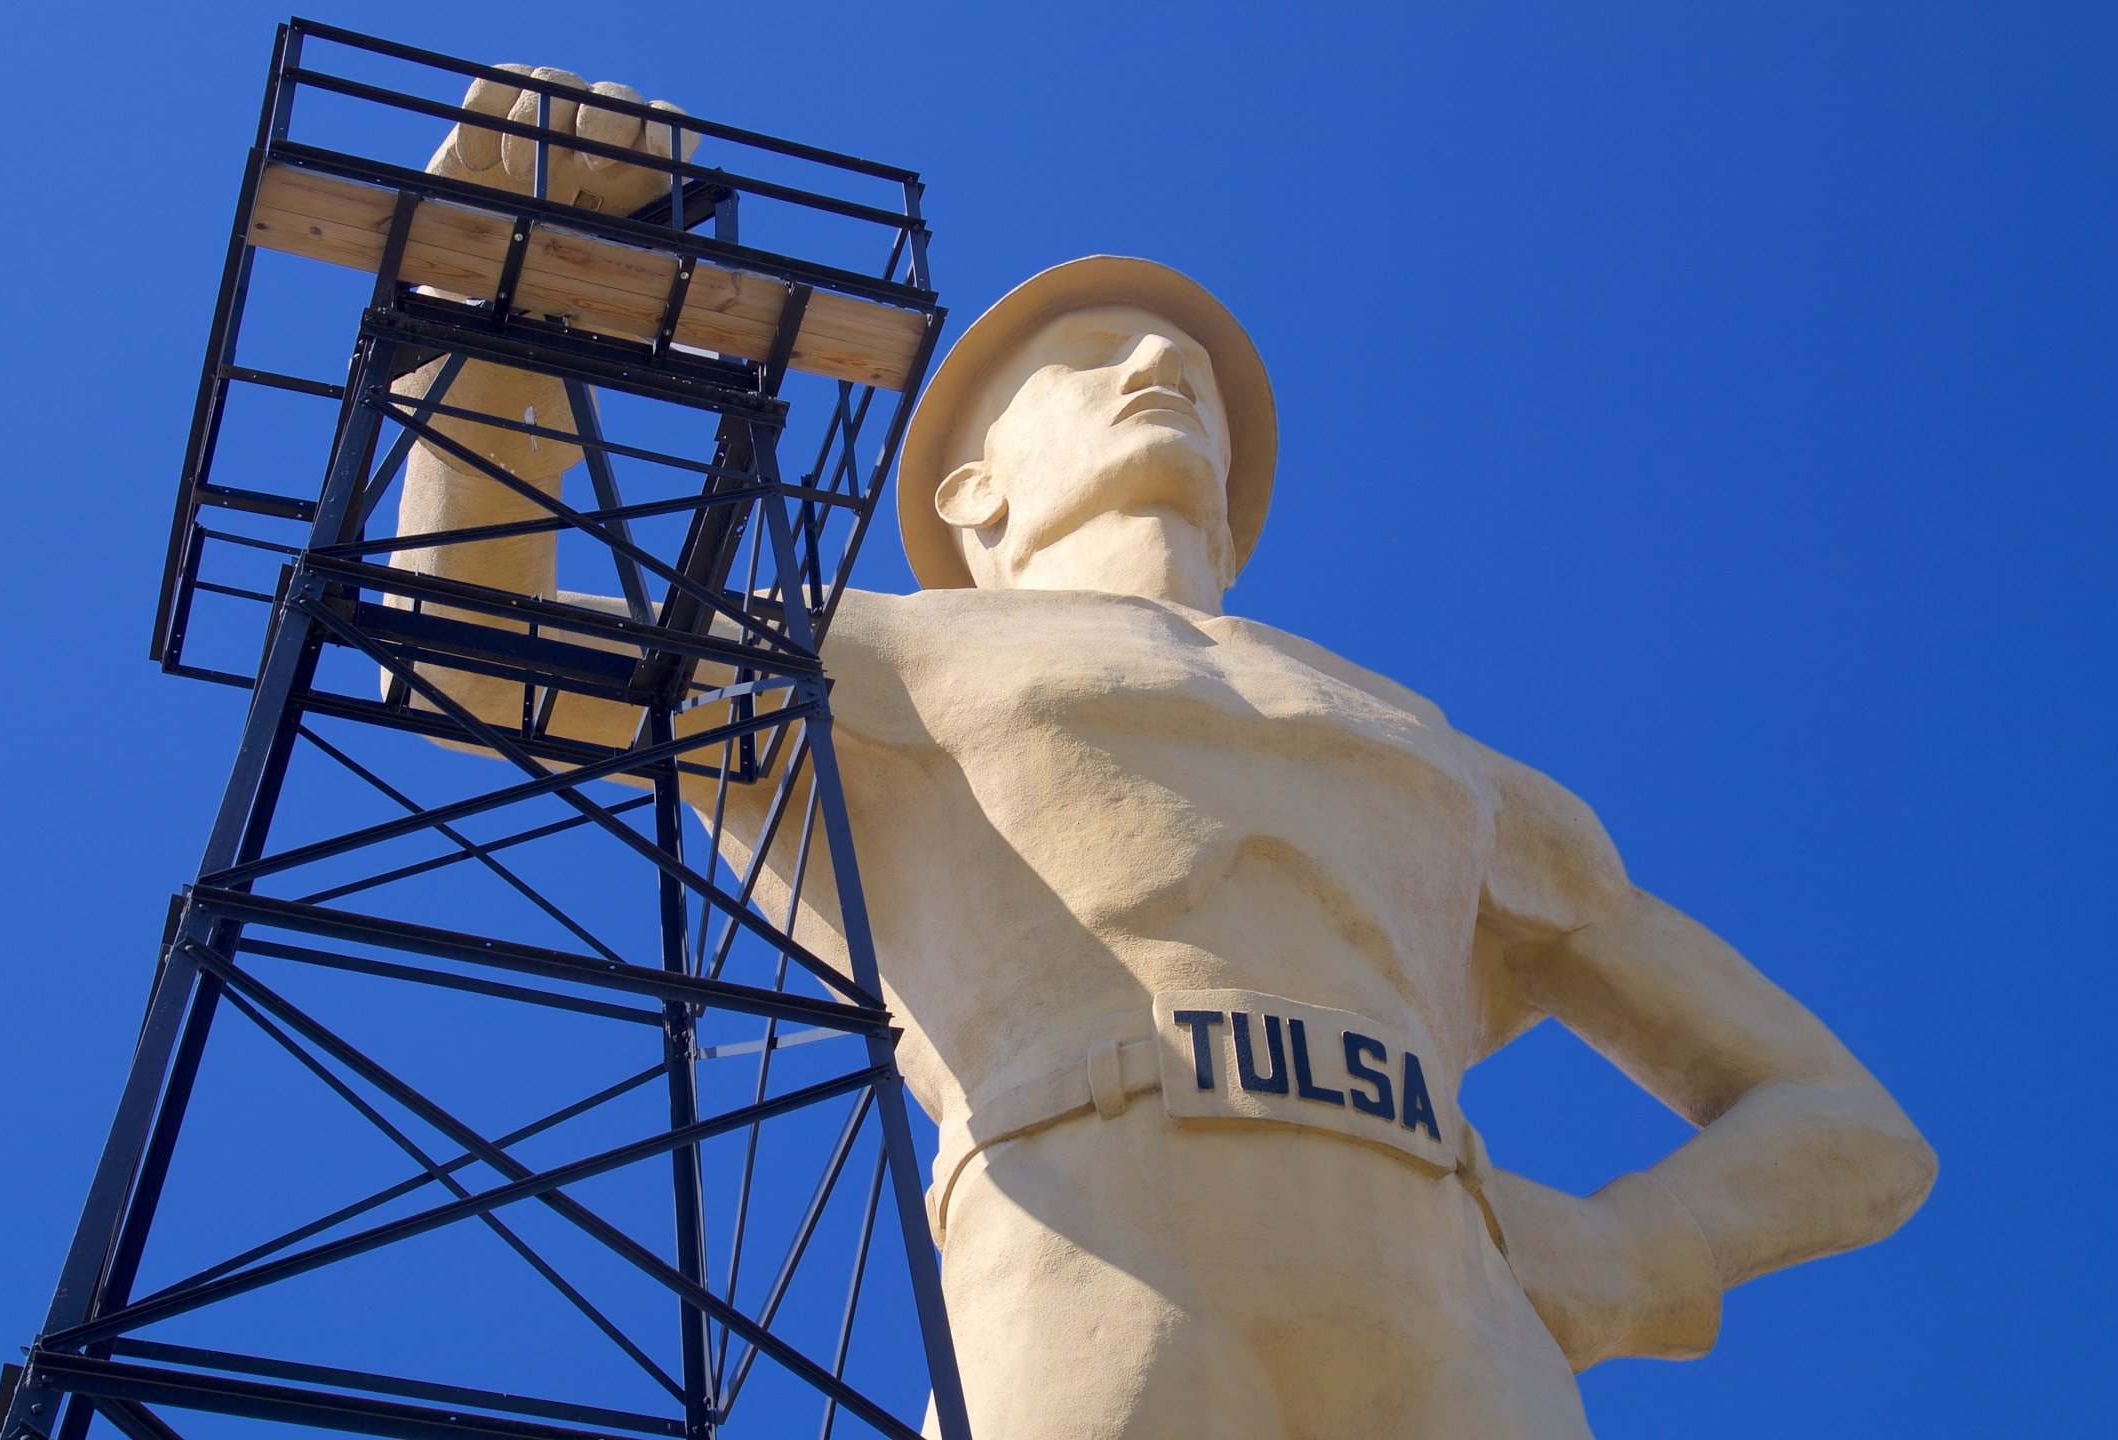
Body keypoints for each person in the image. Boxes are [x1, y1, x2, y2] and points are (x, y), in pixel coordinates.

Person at [391, 71, 1936, 1439]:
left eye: (1176, 353)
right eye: (1084, 354)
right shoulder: (874, 649)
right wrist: (498, 306)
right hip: (1096, 1256)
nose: (1156, 364)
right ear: (977, 494)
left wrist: (1630, 1255)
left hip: (1451, 1313)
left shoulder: (1449, 763)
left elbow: (1845, 1126)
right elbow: (470, 644)